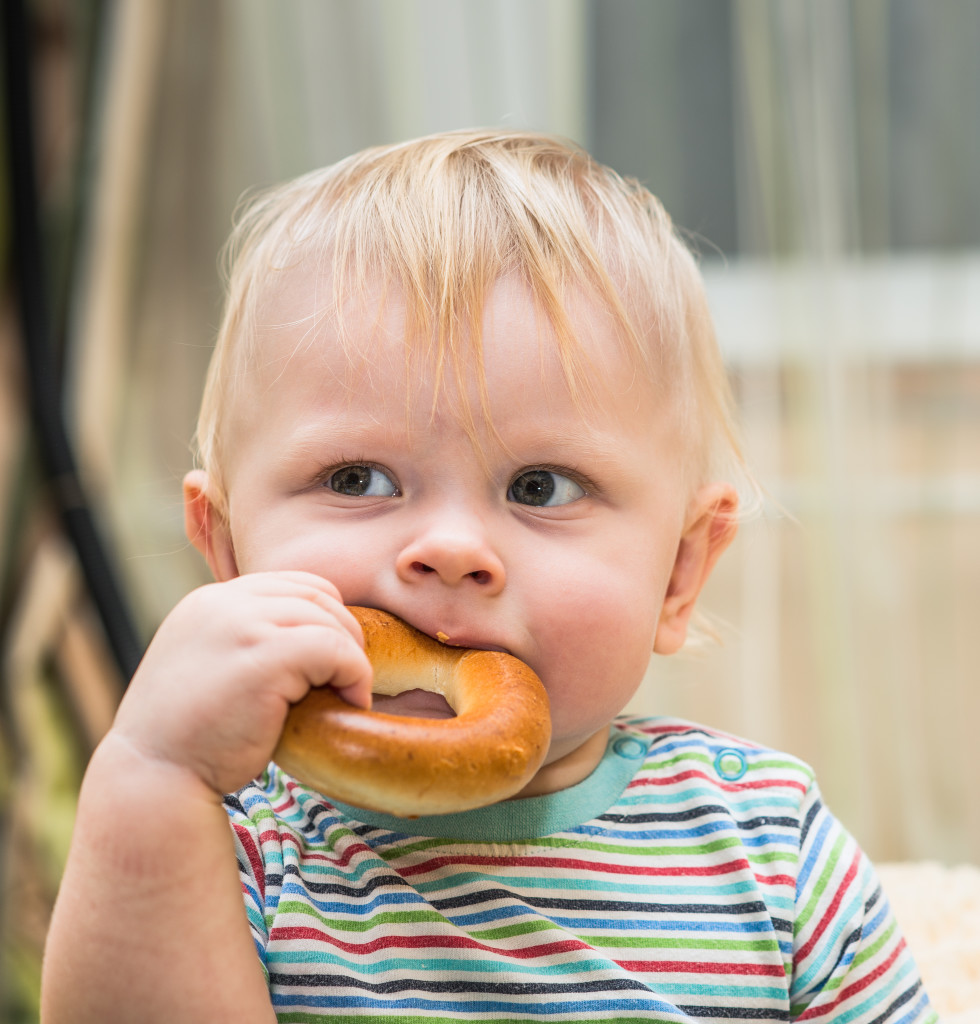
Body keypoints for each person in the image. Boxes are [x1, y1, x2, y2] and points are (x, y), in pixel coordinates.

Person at [40, 130, 936, 1023]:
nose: (453, 547)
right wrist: (151, 779)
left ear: (679, 572)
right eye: (358, 479)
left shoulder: (770, 848)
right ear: (230, 553)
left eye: (541, 487)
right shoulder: (231, 843)